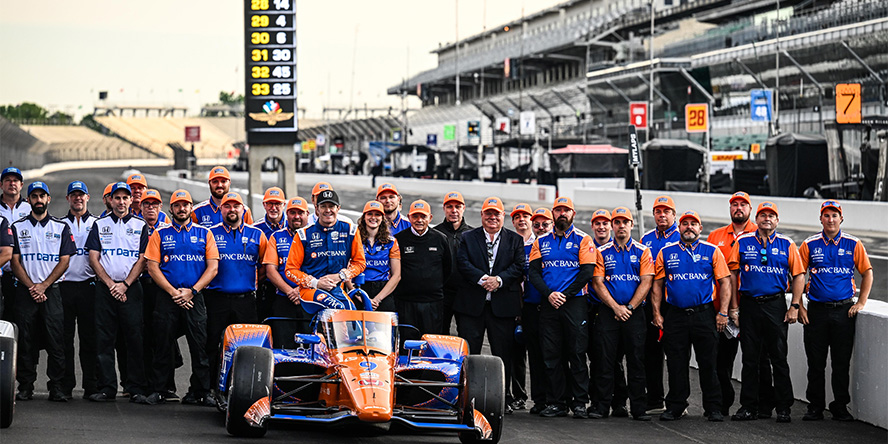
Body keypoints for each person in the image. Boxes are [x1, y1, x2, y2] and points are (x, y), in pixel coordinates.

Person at [728, 201, 805, 423]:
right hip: (749, 305)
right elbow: (732, 275)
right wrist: (734, 307)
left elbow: (799, 275)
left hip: (775, 305)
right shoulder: (742, 241)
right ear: (757, 219)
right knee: (750, 359)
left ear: (777, 220)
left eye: (771, 216)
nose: (767, 219)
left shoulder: (787, 243)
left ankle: (783, 407)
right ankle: (749, 406)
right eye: (762, 215)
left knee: (779, 357)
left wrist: (795, 306)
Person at [651, 211, 731, 422]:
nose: (689, 227)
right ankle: (676, 406)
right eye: (685, 223)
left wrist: (723, 312)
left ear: (700, 228)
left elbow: (725, 282)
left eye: (693, 224)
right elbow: (657, 285)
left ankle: (713, 407)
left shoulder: (712, 251)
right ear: (679, 227)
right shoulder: (666, 252)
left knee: (709, 363)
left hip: (704, 314)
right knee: (676, 363)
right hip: (675, 315)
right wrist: (657, 313)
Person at [798, 200, 873, 422]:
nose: (830, 219)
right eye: (826, 215)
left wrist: (860, 302)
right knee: (816, 362)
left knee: (841, 363)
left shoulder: (853, 243)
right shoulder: (810, 244)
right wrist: (799, 305)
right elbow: (799, 276)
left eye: (834, 215)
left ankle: (840, 406)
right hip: (816, 311)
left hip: (843, 311)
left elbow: (867, 273)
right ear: (820, 219)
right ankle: (815, 407)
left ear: (841, 219)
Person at [144, 189, 219, 406]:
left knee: (200, 347)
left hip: (194, 297)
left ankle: (200, 392)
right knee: (162, 345)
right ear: (171, 209)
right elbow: (152, 266)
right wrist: (172, 292)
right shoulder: (161, 233)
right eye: (177, 205)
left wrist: (192, 291)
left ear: (190, 208)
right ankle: (159, 389)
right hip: (167, 297)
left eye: (185, 204)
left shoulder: (205, 233)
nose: (182, 208)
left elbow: (213, 268)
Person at [529, 196, 599, 419]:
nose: (562, 214)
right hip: (549, 304)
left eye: (566, 210)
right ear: (553, 214)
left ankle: (579, 402)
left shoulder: (584, 239)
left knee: (577, 353)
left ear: (573, 214)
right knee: (551, 355)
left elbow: (587, 272)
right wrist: (550, 294)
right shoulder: (541, 242)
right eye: (558, 210)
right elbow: (534, 273)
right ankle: (556, 402)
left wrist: (565, 295)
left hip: (575, 303)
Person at [705, 191, 774, 417]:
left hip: (754, 307)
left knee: (759, 358)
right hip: (724, 310)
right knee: (722, 359)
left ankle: (763, 404)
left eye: (742, 205)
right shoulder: (715, 236)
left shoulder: (761, 233)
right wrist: (725, 310)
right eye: (734, 204)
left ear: (750, 210)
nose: (738, 208)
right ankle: (723, 403)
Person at [455, 197, 525, 414]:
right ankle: (465, 397)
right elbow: (462, 263)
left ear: (503, 216)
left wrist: (499, 280)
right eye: (488, 213)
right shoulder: (467, 237)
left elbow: (519, 266)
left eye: (497, 214)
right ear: (482, 215)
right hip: (472, 306)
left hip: (503, 306)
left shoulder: (515, 239)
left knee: (503, 354)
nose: (493, 217)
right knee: (469, 354)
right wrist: (483, 278)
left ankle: (502, 398)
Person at [86, 182, 153, 404]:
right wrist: (110, 284)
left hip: (131, 289)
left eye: (126, 198)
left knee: (134, 339)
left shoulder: (140, 224)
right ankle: (107, 388)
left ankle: (135, 387)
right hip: (105, 291)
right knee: (104, 339)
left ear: (130, 201)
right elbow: (93, 257)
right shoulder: (99, 224)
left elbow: (143, 258)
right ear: (110, 200)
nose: (122, 202)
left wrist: (125, 284)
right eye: (117, 198)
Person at [9, 181, 74, 401]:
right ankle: (25, 385)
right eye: (34, 196)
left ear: (48, 199)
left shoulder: (61, 227)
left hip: (52, 292)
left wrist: (44, 286)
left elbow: (65, 261)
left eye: (42, 196)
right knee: (26, 340)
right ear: (28, 200)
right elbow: (14, 260)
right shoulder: (17, 227)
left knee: (56, 339)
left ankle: (56, 386)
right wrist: (31, 286)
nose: (38, 200)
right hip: (25, 292)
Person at [589, 207, 653, 421]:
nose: (621, 225)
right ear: (613, 226)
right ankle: (601, 406)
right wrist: (616, 308)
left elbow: (647, 282)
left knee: (637, 360)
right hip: (608, 313)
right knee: (605, 361)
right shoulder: (602, 252)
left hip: (635, 313)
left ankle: (638, 408)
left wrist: (630, 308)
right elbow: (597, 283)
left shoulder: (643, 251)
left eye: (625, 222)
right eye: (617, 222)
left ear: (631, 225)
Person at [205, 192, 267, 384]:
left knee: (248, 347)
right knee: (211, 344)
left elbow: (264, 266)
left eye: (236, 206)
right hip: (216, 298)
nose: (232, 210)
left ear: (243, 209)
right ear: (221, 209)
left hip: (246, 300)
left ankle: (246, 386)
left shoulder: (257, 234)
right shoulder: (210, 233)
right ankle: (207, 389)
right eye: (227, 206)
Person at [284, 190, 366, 314]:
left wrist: (341, 276)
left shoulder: (350, 230)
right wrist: (316, 282)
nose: (328, 210)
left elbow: (360, 263)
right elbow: (290, 270)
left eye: (331, 206)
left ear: (338, 208)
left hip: (336, 289)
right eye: (323, 206)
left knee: (352, 313)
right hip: (310, 290)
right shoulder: (303, 234)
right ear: (317, 209)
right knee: (339, 309)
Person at [586, 208, 629, 418]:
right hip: (591, 309)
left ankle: (619, 401)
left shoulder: (622, 247)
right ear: (592, 226)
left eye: (605, 223)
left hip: (615, 310)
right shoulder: (586, 247)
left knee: (614, 359)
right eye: (598, 224)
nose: (601, 227)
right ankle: (597, 400)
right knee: (597, 358)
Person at [59, 181, 99, 400]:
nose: (77, 198)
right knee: (64, 339)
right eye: (73, 195)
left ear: (87, 197)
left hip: (89, 286)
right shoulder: (58, 224)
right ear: (68, 199)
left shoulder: (97, 223)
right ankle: (65, 385)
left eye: (81, 195)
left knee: (90, 338)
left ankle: (91, 385)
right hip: (63, 286)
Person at [139, 189, 179, 401]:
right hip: (141, 286)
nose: (150, 208)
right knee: (143, 335)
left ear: (161, 207)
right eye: (147, 205)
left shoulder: (167, 230)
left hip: (162, 287)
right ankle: (143, 384)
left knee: (165, 336)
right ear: (141, 208)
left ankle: (167, 386)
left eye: (154, 205)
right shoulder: (135, 227)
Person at [639, 195, 679, 413]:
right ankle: (654, 399)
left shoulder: (682, 236)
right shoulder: (646, 239)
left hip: (673, 303)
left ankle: (677, 401)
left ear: (674, 214)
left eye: (666, 211)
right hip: (649, 303)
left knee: (675, 354)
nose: (662, 215)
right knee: (650, 353)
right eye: (658, 211)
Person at [393, 200, 452, 335]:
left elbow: (448, 268)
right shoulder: (399, 239)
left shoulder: (441, 239)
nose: (419, 220)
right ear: (409, 217)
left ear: (430, 218)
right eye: (415, 216)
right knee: (406, 343)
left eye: (423, 216)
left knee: (430, 342)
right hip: (406, 302)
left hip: (432, 302)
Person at [521, 207, 553, 414]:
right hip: (530, 308)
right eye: (537, 225)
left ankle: (557, 399)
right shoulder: (525, 248)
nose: (541, 228)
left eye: (545, 224)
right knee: (535, 355)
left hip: (553, 308)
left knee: (553, 355)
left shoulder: (558, 247)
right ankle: (540, 399)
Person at [263, 196, 311, 319]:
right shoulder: (276, 236)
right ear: (287, 214)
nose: (296, 216)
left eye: (300, 212)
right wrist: (290, 291)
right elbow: (270, 270)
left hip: (311, 298)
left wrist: (302, 291)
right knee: (282, 337)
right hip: (284, 297)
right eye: (292, 212)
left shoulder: (317, 236)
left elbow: (322, 269)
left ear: (307, 214)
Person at [433, 191, 472, 335]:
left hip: (465, 294)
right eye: (449, 207)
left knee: (467, 335)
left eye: (457, 206)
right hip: (442, 294)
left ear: (463, 208)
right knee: (440, 334)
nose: (453, 210)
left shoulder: (473, 235)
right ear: (444, 209)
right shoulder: (435, 234)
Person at [351, 200, 400, 312]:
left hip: (383, 291)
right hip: (358, 289)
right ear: (364, 217)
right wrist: (360, 296)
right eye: (370, 214)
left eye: (377, 214)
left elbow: (397, 275)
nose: (373, 217)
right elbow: (347, 270)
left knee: (384, 329)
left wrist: (377, 299)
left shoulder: (391, 242)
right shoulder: (354, 238)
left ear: (382, 218)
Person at [508, 203, 533, 412]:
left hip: (535, 304)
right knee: (513, 352)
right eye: (517, 217)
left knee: (536, 352)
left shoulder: (540, 244)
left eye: (525, 216)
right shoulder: (509, 242)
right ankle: (514, 395)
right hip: (513, 303)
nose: (522, 220)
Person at [1, 167, 31, 322]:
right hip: (2, 273)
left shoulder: (31, 208)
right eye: (7, 180)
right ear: (1, 185)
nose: (11, 184)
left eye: (15, 181)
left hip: (25, 274)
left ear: (21, 185)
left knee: (25, 320)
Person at [253, 187, 286, 321]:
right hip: (265, 286)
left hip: (288, 285)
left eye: (277, 204)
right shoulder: (255, 229)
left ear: (283, 205)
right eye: (270, 204)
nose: (274, 208)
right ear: (264, 205)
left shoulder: (293, 226)